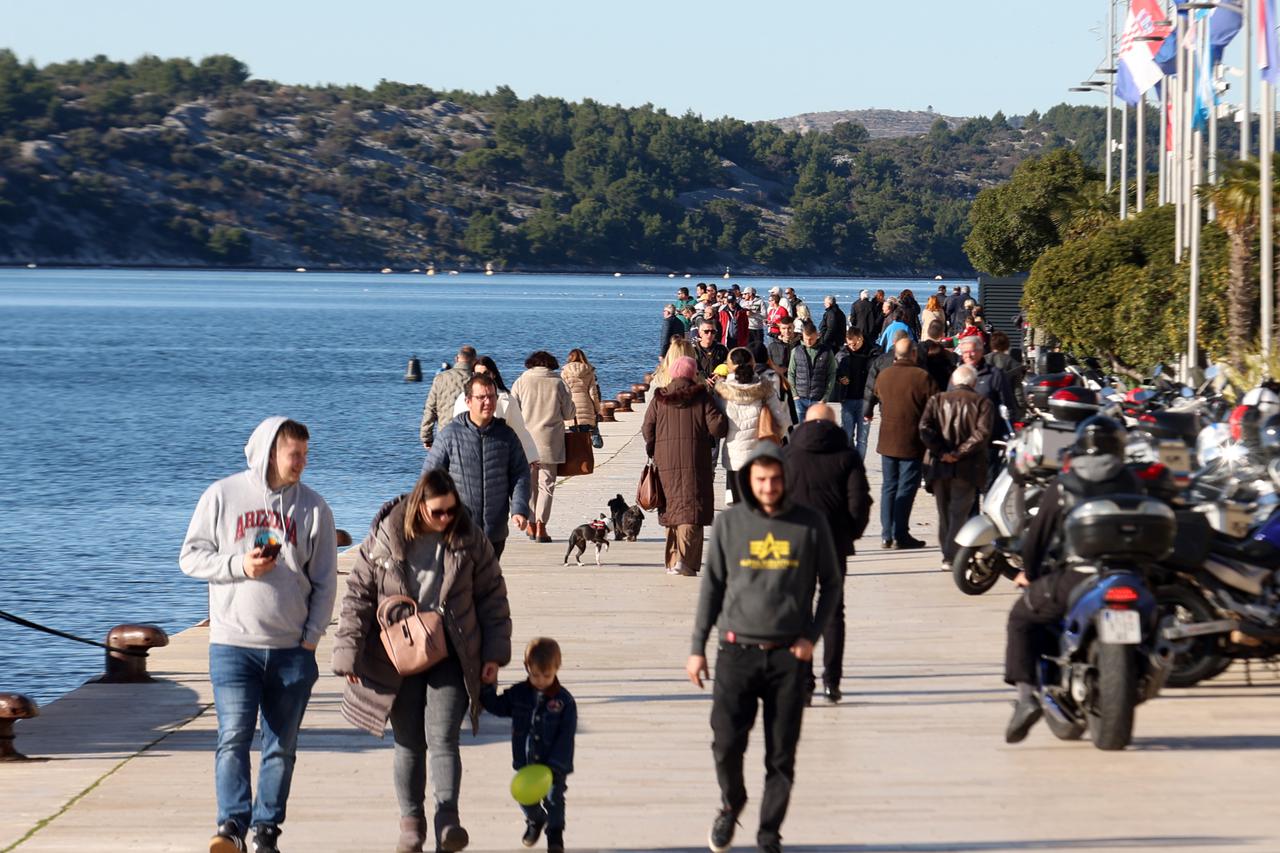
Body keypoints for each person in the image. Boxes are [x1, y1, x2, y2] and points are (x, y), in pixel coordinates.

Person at [331, 469, 512, 853]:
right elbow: (358, 597)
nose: (446, 518)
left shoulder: (468, 537)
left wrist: (494, 655)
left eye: (451, 510)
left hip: (452, 650)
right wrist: (348, 655)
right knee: (409, 741)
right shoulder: (384, 538)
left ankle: (448, 820)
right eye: (438, 512)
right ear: (418, 507)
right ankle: (411, 824)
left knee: (444, 737)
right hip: (397, 654)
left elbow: (493, 596)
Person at [180, 417, 337, 853]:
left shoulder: (315, 509)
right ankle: (231, 825)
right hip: (233, 645)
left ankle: (267, 830)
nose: (303, 463)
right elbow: (190, 558)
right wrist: (238, 566)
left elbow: (325, 581)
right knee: (232, 736)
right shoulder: (222, 496)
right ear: (270, 452)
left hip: (291, 649)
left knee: (280, 747)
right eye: (295, 455)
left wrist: (311, 639)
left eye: (306, 455)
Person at [687, 444, 841, 853]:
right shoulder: (730, 524)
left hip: (789, 655)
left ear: (785, 480)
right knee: (725, 742)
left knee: (781, 754)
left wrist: (811, 636)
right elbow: (712, 587)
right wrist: (697, 646)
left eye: (775, 479)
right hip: (736, 651)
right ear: (748, 481)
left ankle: (769, 832)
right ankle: (731, 801)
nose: (769, 487)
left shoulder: (809, 524)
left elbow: (832, 584)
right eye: (761, 480)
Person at [1003, 417, 1148, 744]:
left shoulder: (1064, 485)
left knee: (1021, 617)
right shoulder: (1133, 482)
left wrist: (1030, 573)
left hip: (1077, 576)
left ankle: (1026, 699)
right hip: (1131, 575)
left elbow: (1036, 540)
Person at [783, 404, 871, 704]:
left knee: (800, 610)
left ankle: (804, 681)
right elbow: (859, 501)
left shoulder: (789, 456)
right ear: (834, 425)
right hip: (834, 541)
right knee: (834, 612)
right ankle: (832, 681)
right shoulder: (847, 456)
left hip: (796, 542)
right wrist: (851, 533)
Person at [481, 638, 576, 853]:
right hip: (526, 762)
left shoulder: (564, 702)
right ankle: (535, 819)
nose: (541, 681)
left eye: (547, 676)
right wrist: (487, 686)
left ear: (556, 670)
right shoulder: (519, 694)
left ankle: (555, 837)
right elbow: (497, 706)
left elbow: (566, 735)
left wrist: (556, 764)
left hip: (554, 764)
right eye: (535, 675)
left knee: (554, 799)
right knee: (524, 795)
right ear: (527, 668)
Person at [425, 373, 531, 559]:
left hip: (494, 532)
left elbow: (520, 474)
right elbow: (430, 478)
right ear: (468, 401)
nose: (488, 402)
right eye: (481, 397)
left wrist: (519, 509)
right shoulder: (449, 435)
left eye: (491, 396)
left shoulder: (506, 436)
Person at [641, 356, 728, 576]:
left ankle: (671, 562)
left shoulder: (659, 398)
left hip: (665, 461)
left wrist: (653, 448)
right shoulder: (702, 397)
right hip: (695, 461)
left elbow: (646, 428)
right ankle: (687, 563)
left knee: (671, 509)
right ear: (692, 374)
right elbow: (718, 428)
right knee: (691, 510)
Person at [918, 365, 994, 568]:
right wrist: (959, 453)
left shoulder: (938, 400)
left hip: (940, 465)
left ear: (953, 380)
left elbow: (925, 428)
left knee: (944, 513)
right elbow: (982, 433)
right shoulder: (982, 403)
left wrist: (942, 452)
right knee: (959, 512)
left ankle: (948, 554)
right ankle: (951, 556)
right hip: (967, 467)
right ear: (974, 383)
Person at [866, 337, 937, 549]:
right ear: (913, 354)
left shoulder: (884, 375)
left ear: (895, 354)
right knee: (906, 486)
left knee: (889, 486)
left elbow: (875, 395)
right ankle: (901, 534)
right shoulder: (922, 377)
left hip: (887, 438)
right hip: (912, 440)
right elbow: (935, 406)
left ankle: (886, 534)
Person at [511, 351, 575, 544]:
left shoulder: (521, 381)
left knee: (529, 485)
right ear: (551, 364)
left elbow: (512, 409)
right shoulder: (558, 382)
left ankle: (530, 522)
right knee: (546, 485)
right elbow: (569, 414)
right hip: (550, 441)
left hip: (526, 440)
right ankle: (541, 525)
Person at [715, 348, 793, 504]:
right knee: (757, 504)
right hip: (759, 455)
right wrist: (777, 436)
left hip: (733, 456)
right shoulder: (765, 388)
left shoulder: (723, 391)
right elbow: (782, 420)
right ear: (753, 364)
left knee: (738, 506)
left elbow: (717, 423)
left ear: (730, 365)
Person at [954, 335, 1019, 487]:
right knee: (967, 489)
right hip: (963, 441)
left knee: (989, 484)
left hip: (989, 441)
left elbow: (1008, 405)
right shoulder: (957, 374)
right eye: (964, 353)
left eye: (972, 351)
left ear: (981, 351)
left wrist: (1007, 434)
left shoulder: (995, 375)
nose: (968, 356)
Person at [450, 356, 539, 466]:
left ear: (494, 374)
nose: (482, 377)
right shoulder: (463, 399)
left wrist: (530, 457)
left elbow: (518, 429)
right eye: (478, 374)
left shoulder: (507, 399)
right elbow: (456, 430)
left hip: (499, 456)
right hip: (469, 456)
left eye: (486, 373)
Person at [834, 328, 879, 457]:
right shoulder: (842, 354)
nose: (852, 347)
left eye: (854, 344)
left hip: (865, 401)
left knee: (862, 439)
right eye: (849, 344)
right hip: (847, 399)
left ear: (861, 339)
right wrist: (840, 378)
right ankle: (851, 464)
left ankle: (858, 468)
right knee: (847, 437)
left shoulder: (873, 353)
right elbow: (835, 371)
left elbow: (878, 373)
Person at [420, 346, 476, 450]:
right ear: (475, 361)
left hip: (444, 437)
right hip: (470, 439)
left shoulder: (440, 378)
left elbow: (430, 409)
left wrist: (426, 437)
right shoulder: (476, 380)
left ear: (456, 358)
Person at [787, 320, 837, 423]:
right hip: (800, 398)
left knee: (817, 431)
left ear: (817, 336)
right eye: (806, 339)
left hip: (818, 399)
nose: (808, 342)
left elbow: (831, 374)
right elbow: (791, 373)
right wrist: (795, 395)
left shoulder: (827, 352)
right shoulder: (796, 351)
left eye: (811, 339)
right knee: (800, 431)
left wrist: (825, 397)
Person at [561, 348, 602, 434]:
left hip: (571, 407)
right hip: (586, 407)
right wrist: (598, 409)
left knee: (573, 437)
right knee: (585, 436)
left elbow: (563, 392)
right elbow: (593, 393)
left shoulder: (565, 372)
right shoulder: (589, 371)